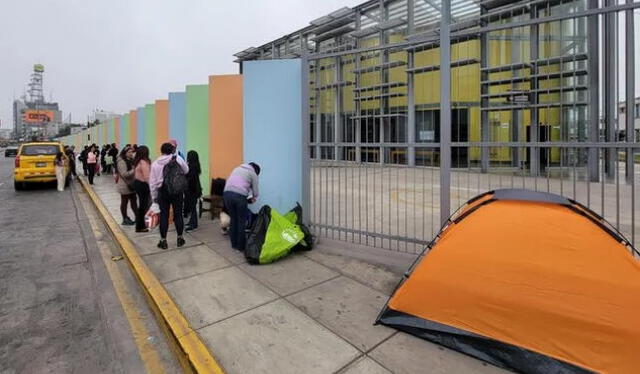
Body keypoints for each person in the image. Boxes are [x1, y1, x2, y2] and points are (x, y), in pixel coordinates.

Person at [150, 142, 189, 250]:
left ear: (161, 151)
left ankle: (163, 241)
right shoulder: (177, 159)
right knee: (178, 214)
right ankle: (180, 238)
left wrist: (154, 196)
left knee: (164, 216)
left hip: (163, 191)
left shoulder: (156, 163)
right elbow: (186, 170)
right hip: (177, 191)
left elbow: (152, 183)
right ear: (172, 150)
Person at [223, 162, 260, 251]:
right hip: (239, 197)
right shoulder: (252, 173)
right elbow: (255, 192)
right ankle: (240, 247)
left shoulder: (237, 169)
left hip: (226, 195)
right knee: (241, 221)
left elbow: (234, 184)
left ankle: (234, 244)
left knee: (233, 219)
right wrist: (253, 198)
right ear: (256, 170)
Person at [116, 146, 138, 226]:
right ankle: (125, 218)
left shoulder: (131, 160)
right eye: (129, 152)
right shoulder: (121, 161)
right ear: (125, 153)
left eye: (132, 152)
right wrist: (134, 170)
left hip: (132, 185)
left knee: (134, 202)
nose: (131, 153)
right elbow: (124, 174)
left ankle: (138, 217)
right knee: (124, 202)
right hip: (125, 186)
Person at [133, 146, 152, 233]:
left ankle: (139, 225)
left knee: (142, 206)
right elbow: (147, 177)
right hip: (143, 185)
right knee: (143, 207)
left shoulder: (137, 161)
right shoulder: (143, 162)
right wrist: (152, 188)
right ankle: (140, 226)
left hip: (138, 184)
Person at [184, 150, 203, 232]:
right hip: (195, 190)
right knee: (192, 207)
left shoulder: (191, 167)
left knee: (192, 208)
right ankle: (191, 222)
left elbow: (190, 180)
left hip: (192, 190)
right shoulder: (196, 166)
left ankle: (193, 224)